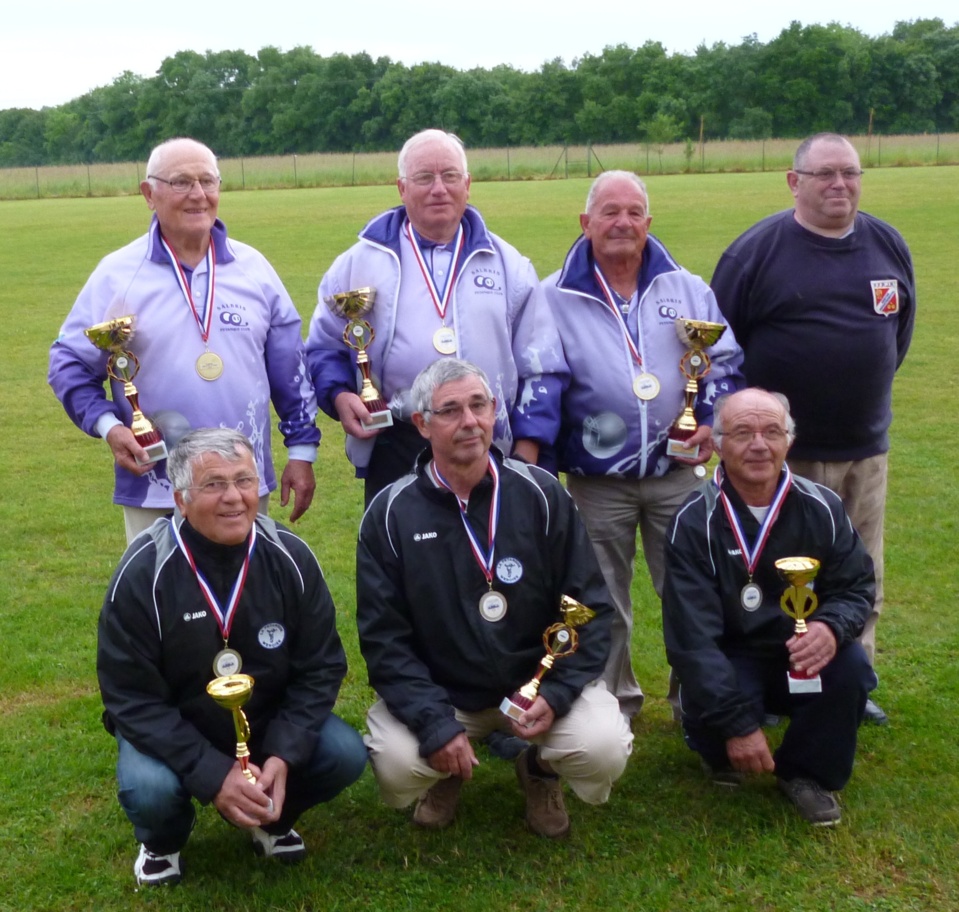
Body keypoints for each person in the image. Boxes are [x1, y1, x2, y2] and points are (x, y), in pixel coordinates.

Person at [355, 359, 632, 838]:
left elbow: (589, 606)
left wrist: (557, 693)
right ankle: (446, 769)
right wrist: (434, 723)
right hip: (445, 695)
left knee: (603, 746)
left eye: (479, 405)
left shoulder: (541, 494)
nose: (469, 421)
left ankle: (538, 771)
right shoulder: (390, 513)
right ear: (421, 424)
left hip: (535, 690)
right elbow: (385, 640)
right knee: (398, 763)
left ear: (494, 410)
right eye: (450, 410)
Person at [97, 428, 367, 885]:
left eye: (244, 481)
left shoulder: (291, 557)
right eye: (214, 484)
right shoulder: (143, 571)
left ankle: (270, 817)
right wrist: (213, 773)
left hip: (266, 723)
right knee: (151, 789)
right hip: (176, 726)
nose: (234, 498)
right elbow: (130, 697)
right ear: (181, 501)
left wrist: (283, 753)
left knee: (343, 753)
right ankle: (163, 840)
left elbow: (320, 667)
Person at [711, 133, 915, 725]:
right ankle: (769, 681)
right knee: (771, 569)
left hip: (863, 449)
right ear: (793, 181)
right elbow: (721, 349)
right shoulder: (755, 253)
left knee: (860, 570)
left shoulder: (887, 244)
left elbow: (898, 337)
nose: (839, 185)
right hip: (776, 457)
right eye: (825, 174)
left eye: (850, 172)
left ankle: (853, 680)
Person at [541, 170, 744, 718]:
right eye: (609, 212)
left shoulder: (688, 288)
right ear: (586, 222)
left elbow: (725, 364)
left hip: (679, 475)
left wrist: (711, 420)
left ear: (649, 222)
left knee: (693, 590)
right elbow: (541, 381)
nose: (622, 223)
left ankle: (697, 703)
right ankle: (611, 707)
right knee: (601, 597)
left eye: (634, 212)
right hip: (596, 481)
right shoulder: (552, 295)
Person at [49, 137, 319, 544]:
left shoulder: (254, 269)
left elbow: (290, 368)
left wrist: (301, 452)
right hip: (155, 486)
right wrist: (110, 427)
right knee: (159, 586)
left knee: (245, 585)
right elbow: (68, 362)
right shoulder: (117, 274)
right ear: (149, 193)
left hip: (241, 488)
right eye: (180, 182)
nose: (198, 194)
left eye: (208, 181)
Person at [306, 128, 565, 505]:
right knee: (398, 541)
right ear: (402, 187)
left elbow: (543, 367)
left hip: (489, 444)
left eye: (450, 176)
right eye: (424, 177)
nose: (439, 188)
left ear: (468, 185)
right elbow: (323, 348)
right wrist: (340, 394)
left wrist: (526, 452)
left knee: (489, 542)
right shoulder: (357, 264)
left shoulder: (511, 267)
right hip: (396, 442)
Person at [661, 388, 877, 826]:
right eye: (743, 433)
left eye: (772, 432)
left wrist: (830, 628)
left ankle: (805, 774)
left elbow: (856, 587)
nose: (759, 445)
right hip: (732, 655)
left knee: (851, 666)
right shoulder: (693, 521)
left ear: (789, 441)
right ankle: (716, 742)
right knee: (719, 729)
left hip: (800, 649)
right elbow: (692, 640)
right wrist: (737, 725)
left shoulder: (823, 507)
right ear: (719, 443)